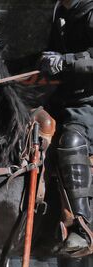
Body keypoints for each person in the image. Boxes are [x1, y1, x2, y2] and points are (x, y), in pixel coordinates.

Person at [39, 0, 93, 252]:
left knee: (72, 139)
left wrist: (66, 61)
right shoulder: (61, 10)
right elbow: (52, 53)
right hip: (65, 97)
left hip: (89, 101)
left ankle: (82, 225)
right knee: (30, 124)